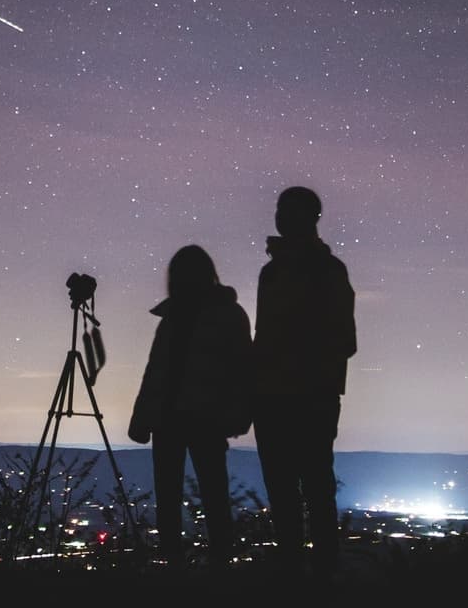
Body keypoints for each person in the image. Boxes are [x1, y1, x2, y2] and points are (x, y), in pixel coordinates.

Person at [252, 185, 356, 581]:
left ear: (311, 217)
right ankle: (296, 575)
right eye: (280, 210)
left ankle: (319, 577)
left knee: (312, 489)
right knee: (286, 491)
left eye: (289, 211)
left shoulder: (326, 271)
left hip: (309, 395)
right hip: (280, 396)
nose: (281, 217)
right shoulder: (273, 272)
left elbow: (344, 339)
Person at [127, 243, 254, 568]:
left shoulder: (214, 315)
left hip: (200, 417)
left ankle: (210, 561)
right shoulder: (185, 317)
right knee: (191, 493)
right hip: (180, 417)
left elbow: (242, 369)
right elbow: (156, 370)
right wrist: (143, 416)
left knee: (204, 492)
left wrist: (238, 413)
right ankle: (188, 561)